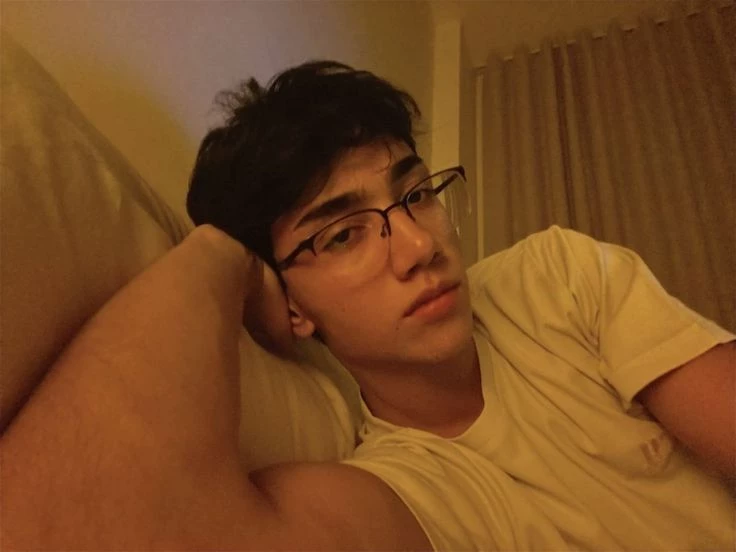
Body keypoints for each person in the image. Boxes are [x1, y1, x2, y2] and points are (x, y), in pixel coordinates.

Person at [6, 61, 733, 550]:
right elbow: (76, 527)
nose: (419, 245)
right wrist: (218, 257)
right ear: (290, 306)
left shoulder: (556, 278)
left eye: (416, 194)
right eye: (343, 234)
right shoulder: (403, 489)